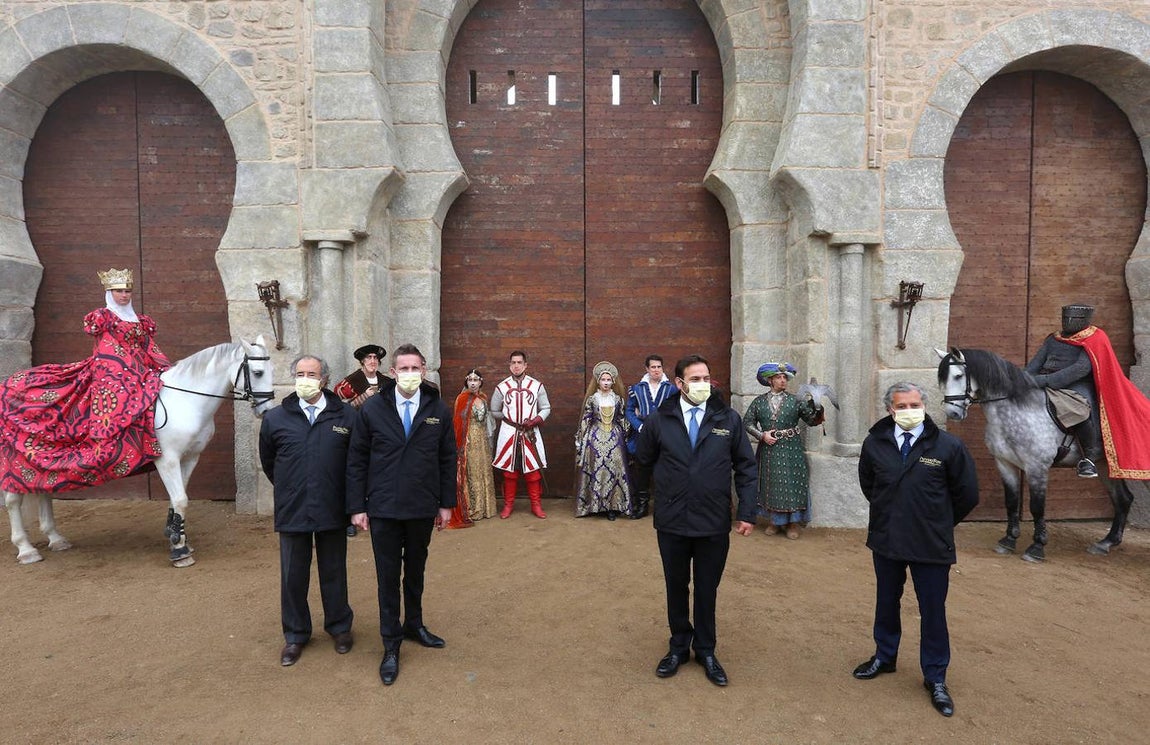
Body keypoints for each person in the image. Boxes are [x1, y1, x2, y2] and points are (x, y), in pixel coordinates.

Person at [853, 381, 979, 718]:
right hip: (888, 539)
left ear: (924, 406)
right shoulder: (875, 443)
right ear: (890, 410)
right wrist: (890, 513)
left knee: (932, 609)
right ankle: (885, 655)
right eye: (902, 406)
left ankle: (935, 676)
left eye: (915, 404)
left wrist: (938, 521)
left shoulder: (948, 446)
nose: (909, 411)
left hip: (931, 543)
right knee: (886, 600)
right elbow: (869, 485)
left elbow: (967, 494)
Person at [634, 354, 758, 687]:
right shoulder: (660, 420)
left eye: (706, 378)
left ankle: (705, 650)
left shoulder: (728, 419)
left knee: (706, 588)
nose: (703, 384)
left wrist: (747, 512)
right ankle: (678, 647)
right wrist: (646, 500)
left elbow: (746, 467)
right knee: (676, 586)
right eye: (695, 379)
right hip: (672, 521)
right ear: (679, 384)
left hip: (712, 521)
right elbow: (642, 461)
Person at [0, 268, 170, 494]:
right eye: (118, 291)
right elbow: (108, 350)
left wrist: (166, 368)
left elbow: (149, 347)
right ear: (109, 292)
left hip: (137, 371)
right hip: (111, 371)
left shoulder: (140, 321)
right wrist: (129, 371)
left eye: (127, 291)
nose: (124, 295)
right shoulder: (103, 317)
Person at [347, 344, 456, 686]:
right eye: (403, 368)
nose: (410, 373)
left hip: (422, 505)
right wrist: (357, 506)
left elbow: (447, 458)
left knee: (416, 570)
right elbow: (357, 459)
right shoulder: (373, 409)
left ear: (424, 370)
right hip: (384, 507)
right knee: (388, 576)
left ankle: (414, 624)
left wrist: (446, 503)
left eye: (415, 368)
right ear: (392, 372)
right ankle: (391, 642)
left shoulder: (437, 408)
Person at [258, 354, 357, 667]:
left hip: (333, 506)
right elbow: (269, 462)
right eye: (300, 374)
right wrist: (290, 487)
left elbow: (355, 463)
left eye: (311, 374)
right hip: (293, 508)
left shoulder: (346, 416)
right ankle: (296, 634)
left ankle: (339, 627)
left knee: (334, 570)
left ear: (324, 379)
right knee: (293, 574)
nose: (305, 379)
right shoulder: (276, 418)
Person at [743, 362, 825, 540]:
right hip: (769, 450)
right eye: (778, 377)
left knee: (792, 483)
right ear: (770, 380)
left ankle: (793, 523)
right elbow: (747, 422)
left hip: (791, 448)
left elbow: (812, 420)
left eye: (785, 378)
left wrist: (816, 405)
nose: (783, 381)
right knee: (771, 483)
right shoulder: (759, 402)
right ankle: (774, 521)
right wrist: (762, 435)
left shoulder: (796, 400)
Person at [1025, 306, 1102, 477]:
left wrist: (1045, 381)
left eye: (1074, 318)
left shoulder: (1094, 339)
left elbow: (1080, 369)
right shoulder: (1054, 339)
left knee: (1079, 410)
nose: (1068, 321)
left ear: (1084, 319)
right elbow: (1035, 365)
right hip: (1045, 382)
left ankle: (1089, 458)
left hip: (1076, 386)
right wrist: (1023, 379)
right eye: (1065, 318)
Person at [490, 350, 551, 519]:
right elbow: (494, 410)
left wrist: (535, 420)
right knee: (509, 472)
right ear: (509, 365)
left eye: (519, 363)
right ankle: (508, 505)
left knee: (533, 471)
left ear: (525, 365)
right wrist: (509, 420)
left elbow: (546, 407)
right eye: (513, 363)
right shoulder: (502, 387)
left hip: (530, 433)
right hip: (509, 433)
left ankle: (536, 505)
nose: (516, 366)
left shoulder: (536, 386)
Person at [333, 344, 386, 535]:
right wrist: (364, 397)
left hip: (379, 434)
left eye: (375, 358)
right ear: (362, 361)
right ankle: (349, 517)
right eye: (369, 358)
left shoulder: (387, 382)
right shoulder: (348, 384)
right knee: (353, 473)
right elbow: (340, 408)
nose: (372, 361)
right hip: (355, 433)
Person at [574, 361, 632, 520]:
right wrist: (582, 439)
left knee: (614, 469)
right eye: (603, 380)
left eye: (608, 380)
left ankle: (613, 506)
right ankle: (594, 505)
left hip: (614, 439)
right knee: (596, 468)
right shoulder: (592, 399)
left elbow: (622, 419)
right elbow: (586, 419)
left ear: (613, 381)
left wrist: (626, 435)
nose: (606, 383)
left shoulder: (618, 399)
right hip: (595, 438)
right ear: (598, 381)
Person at [625, 354, 675, 519]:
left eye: (659, 367)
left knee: (664, 469)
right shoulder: (637, 389)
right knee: (642, 470)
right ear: (647, 369)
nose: (656, 370)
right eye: (653, 367)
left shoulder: (671, 389)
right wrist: (639, 426)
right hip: (642, 435)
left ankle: (663, 507)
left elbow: (676, 410)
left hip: (664, 435)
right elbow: (629, 410)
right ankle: (642, 506)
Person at [452, 369, 498, 524]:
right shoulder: (462, 399)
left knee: (484, 469)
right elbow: (458, 423)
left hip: (482, 439)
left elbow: (486, 420)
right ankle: (474, 507)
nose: (473, 383)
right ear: (466, 382)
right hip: (469, 439)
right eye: (470, 380)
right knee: (472, 471)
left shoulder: (483, 397)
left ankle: (486, 508)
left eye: (476, 380)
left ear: (480, 382)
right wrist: (462, 442)